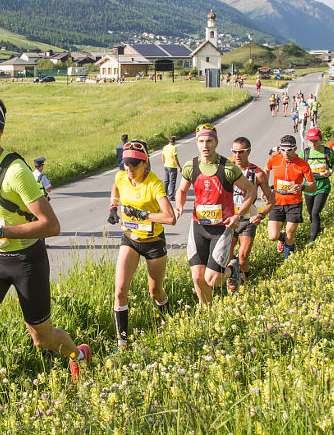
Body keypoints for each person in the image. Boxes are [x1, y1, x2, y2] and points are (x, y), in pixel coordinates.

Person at [0, 95, 91, 418]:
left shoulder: (16, 171)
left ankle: (79, 356)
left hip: (27, 262)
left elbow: (51, 225)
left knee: (41, 338)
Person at [175, 124, 256, 303]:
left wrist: (239, 215)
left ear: (216, 142)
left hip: (222, 228)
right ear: (197, 143)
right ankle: (208, 313)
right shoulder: (191, 166)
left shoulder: (228, 168)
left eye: (209, 141)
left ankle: (232, 269)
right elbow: (181, 190)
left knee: (212, 279)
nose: (205, 145)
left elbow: (250, 190)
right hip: (198, 227)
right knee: (197, 277)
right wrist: (179, 205)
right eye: (202, 141)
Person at [106, 140, 176, 349]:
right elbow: (116, 186)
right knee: (119, 291)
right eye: (126, 164)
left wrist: (144, 214)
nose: (129, 170)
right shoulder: (122, 176)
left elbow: (170, 218)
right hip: (130, 239)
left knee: (156, 291)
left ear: (145, 163)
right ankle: (122, 343)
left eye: (134, 165)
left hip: (153, 242)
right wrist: (113, 206)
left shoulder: (154, 184)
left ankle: (167, 320)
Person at [228, 137, 275, 280]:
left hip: (248, 220)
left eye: (241, 152)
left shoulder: (257, 173)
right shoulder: (226, 169)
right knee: (227, 258)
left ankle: (246, 279)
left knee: (243, 258)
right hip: (230, 220)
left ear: (248, 151)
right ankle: (234, 279)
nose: (237, 155)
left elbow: (271, 200)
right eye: (234, 152)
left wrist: (260, 215)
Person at [264, 134, 315, 260]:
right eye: (283, 150)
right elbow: (266, 169)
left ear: (295, 149)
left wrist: (302, 187)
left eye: (289, 150)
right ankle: (282, 239)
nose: (286, 153)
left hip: (294, 202)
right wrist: (265, 187)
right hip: (277, 201)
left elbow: (313, 186)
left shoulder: (303, 165)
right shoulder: (274, 159)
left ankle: (288, 261)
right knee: (272, 236)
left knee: (290, 233)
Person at [300, 128, 334, 242]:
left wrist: (330, 171)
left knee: (315, 212)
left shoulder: (328, 152)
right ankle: (318, 228)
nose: (313, 144)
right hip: (309, 187)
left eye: (315, 141)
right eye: (310, 141)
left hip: (323, 186)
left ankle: (312, 238)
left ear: (321, 140)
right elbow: (298, 166)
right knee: (311, 213)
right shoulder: (305, 153)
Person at [161, 136, 181, 201]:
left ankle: (163, 194)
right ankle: (171, 196)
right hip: (172, 166)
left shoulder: (165, 147)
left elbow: (162, 156)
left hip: (166, 165)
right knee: (172, 181)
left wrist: (164, 163)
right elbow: (175, 158)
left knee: (166, 181)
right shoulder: (174, 148)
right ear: (174, 141)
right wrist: (179, 166)